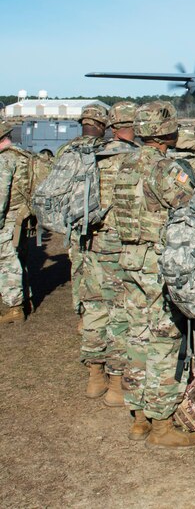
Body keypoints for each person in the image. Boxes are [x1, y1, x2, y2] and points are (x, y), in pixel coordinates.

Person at [112, 101, 195, 447]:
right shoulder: (165, 168)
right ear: (167, 131)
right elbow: (190, 203)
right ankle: (162, 425)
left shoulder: (125, 164)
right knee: (165, 339)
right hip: (156, 260)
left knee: (136, 337)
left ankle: (138, 417)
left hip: (130, 255)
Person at [52, 105, 109, 395]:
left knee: (84, 285)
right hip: (106, 236)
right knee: (108, 301)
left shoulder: (65, 152)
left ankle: (93, 371)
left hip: (76, 232)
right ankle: (107, 375)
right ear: (102, 124)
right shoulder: (108, 151)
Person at [92, 102, 141, 407]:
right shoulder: (133, 159)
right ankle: (115, 384)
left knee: (101, 308)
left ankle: (96, 376)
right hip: (125, 243)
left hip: (97, 240)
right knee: (126, 314)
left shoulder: (94, 157)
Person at [0, 119, 40, 324]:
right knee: (20, 259)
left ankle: (14, 307)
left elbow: (0, 197)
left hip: (8, 220)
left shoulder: (4, 160)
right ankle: (26, 300)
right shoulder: (23, 155)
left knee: (6, 262)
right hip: (23, 217)